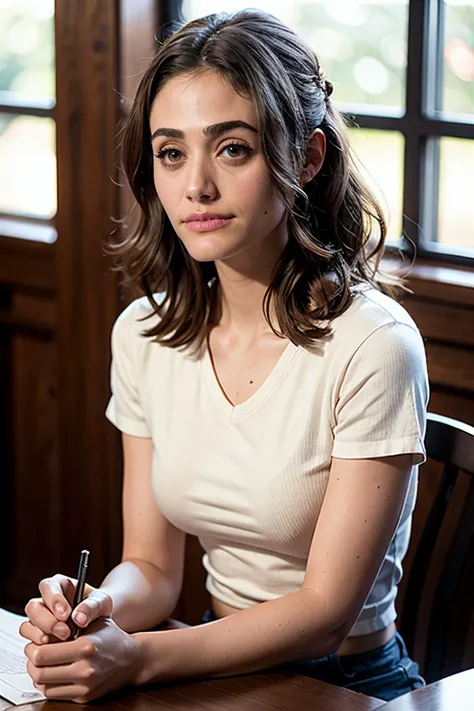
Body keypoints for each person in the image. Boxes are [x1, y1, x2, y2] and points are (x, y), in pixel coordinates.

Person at [20, 9, 429, 704]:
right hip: (211, 665)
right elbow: (151, 566)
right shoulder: (143, 335)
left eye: (232, 148)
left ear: (305, 156)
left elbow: (324, 614)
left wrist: (138, 657)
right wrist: (94, 613)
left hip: (346, 685)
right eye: (171, 152)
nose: (196, 187)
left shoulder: (374, 346)